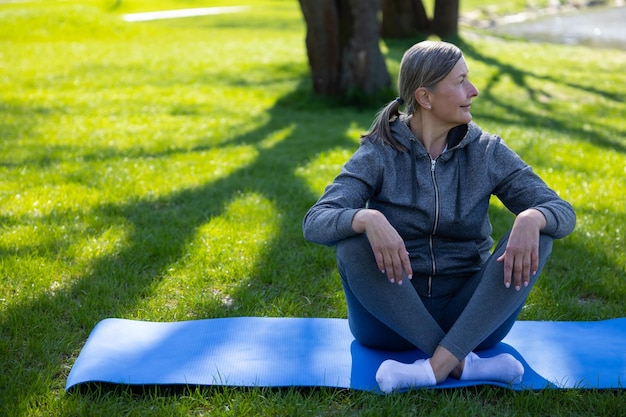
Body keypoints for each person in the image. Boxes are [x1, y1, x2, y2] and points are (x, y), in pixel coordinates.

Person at [302, 40, 576, 393]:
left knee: (538, 232)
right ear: (425, 97)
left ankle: (436, 367)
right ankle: (463, 364)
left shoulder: (487, 152)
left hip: (472, 318)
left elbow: (562, 212)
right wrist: (367, 219)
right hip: (390, 322)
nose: (473, 91)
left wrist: (531, 218)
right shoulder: (379, 151)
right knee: (353, 242)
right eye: (460, 81)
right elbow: (317, 221)